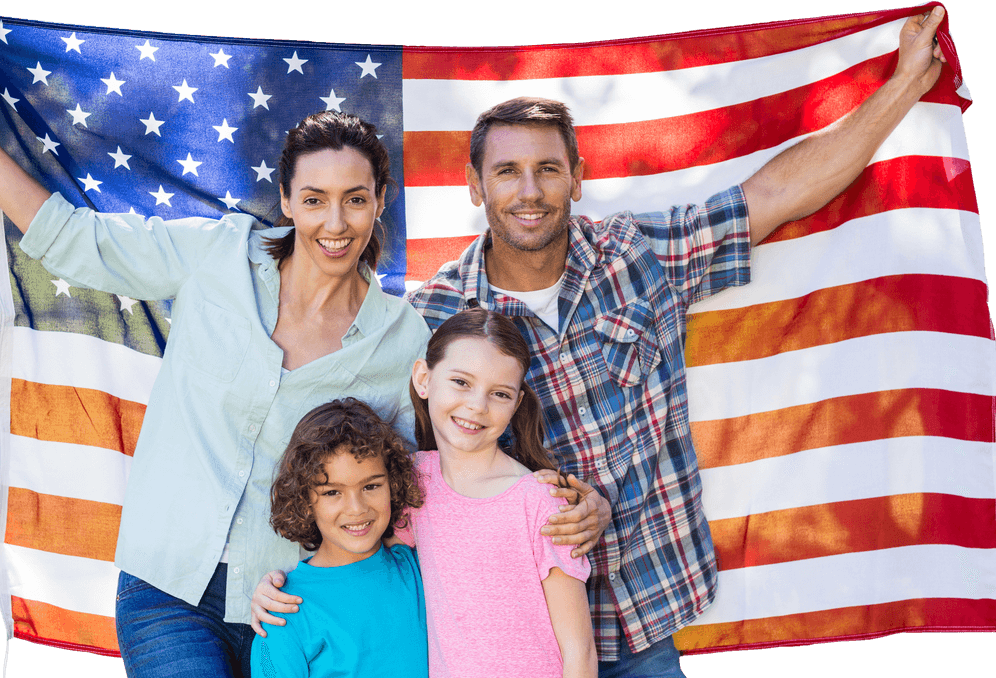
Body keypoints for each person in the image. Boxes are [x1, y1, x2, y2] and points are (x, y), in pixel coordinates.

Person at [397, 9, 949, 676]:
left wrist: (904, 86)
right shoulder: (435, 317)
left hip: (646, 617)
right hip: (511, 638)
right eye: (507, 171)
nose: (529, 191)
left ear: (577, 177)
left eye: (548, 169)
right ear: (474, 185)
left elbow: (775, 194)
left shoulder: (637, 256)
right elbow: (392, 476)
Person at [0, 18, 431, 678]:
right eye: (315, 199)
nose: (335, 223)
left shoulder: (403, 339)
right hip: (165, 585)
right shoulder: (217, 255)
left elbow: (435, 480)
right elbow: (66, 236)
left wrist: (555, 504)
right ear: (286, 200)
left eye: (355, 201)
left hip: (292, 606)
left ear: (380, 202)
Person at [401, 308, 595, 677]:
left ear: (516, 404)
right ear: (423, 379)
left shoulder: (539, 500)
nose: (477, 406)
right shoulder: (413, 483)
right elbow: (353, 558)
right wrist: (276, 586)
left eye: (499, 393)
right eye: (461, 382)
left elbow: (579, 650)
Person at [253, 398, 427, 678]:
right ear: (305, 499)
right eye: (333, 492)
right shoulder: (282, 610)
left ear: (392, 483)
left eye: (371, 486)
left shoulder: (420, 569)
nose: (357, 509)